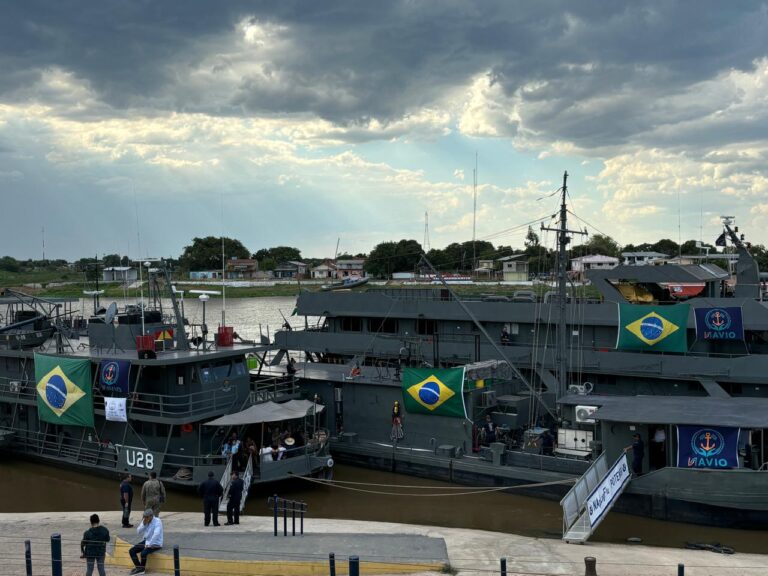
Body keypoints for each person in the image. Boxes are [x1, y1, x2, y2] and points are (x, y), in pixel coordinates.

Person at [128, 509, 163, 575]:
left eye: (147, 517)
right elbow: (138, 531)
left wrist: (149, 544)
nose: (145, 518)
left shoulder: (158, 521)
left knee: (143, 553)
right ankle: (139, 568)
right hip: (146, 541)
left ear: (151, 516)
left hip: (156, 543)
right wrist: (143, 524)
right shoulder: (145, 520)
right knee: (132, 551)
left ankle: (141, 569)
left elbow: (156, 534)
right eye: (144, 517)